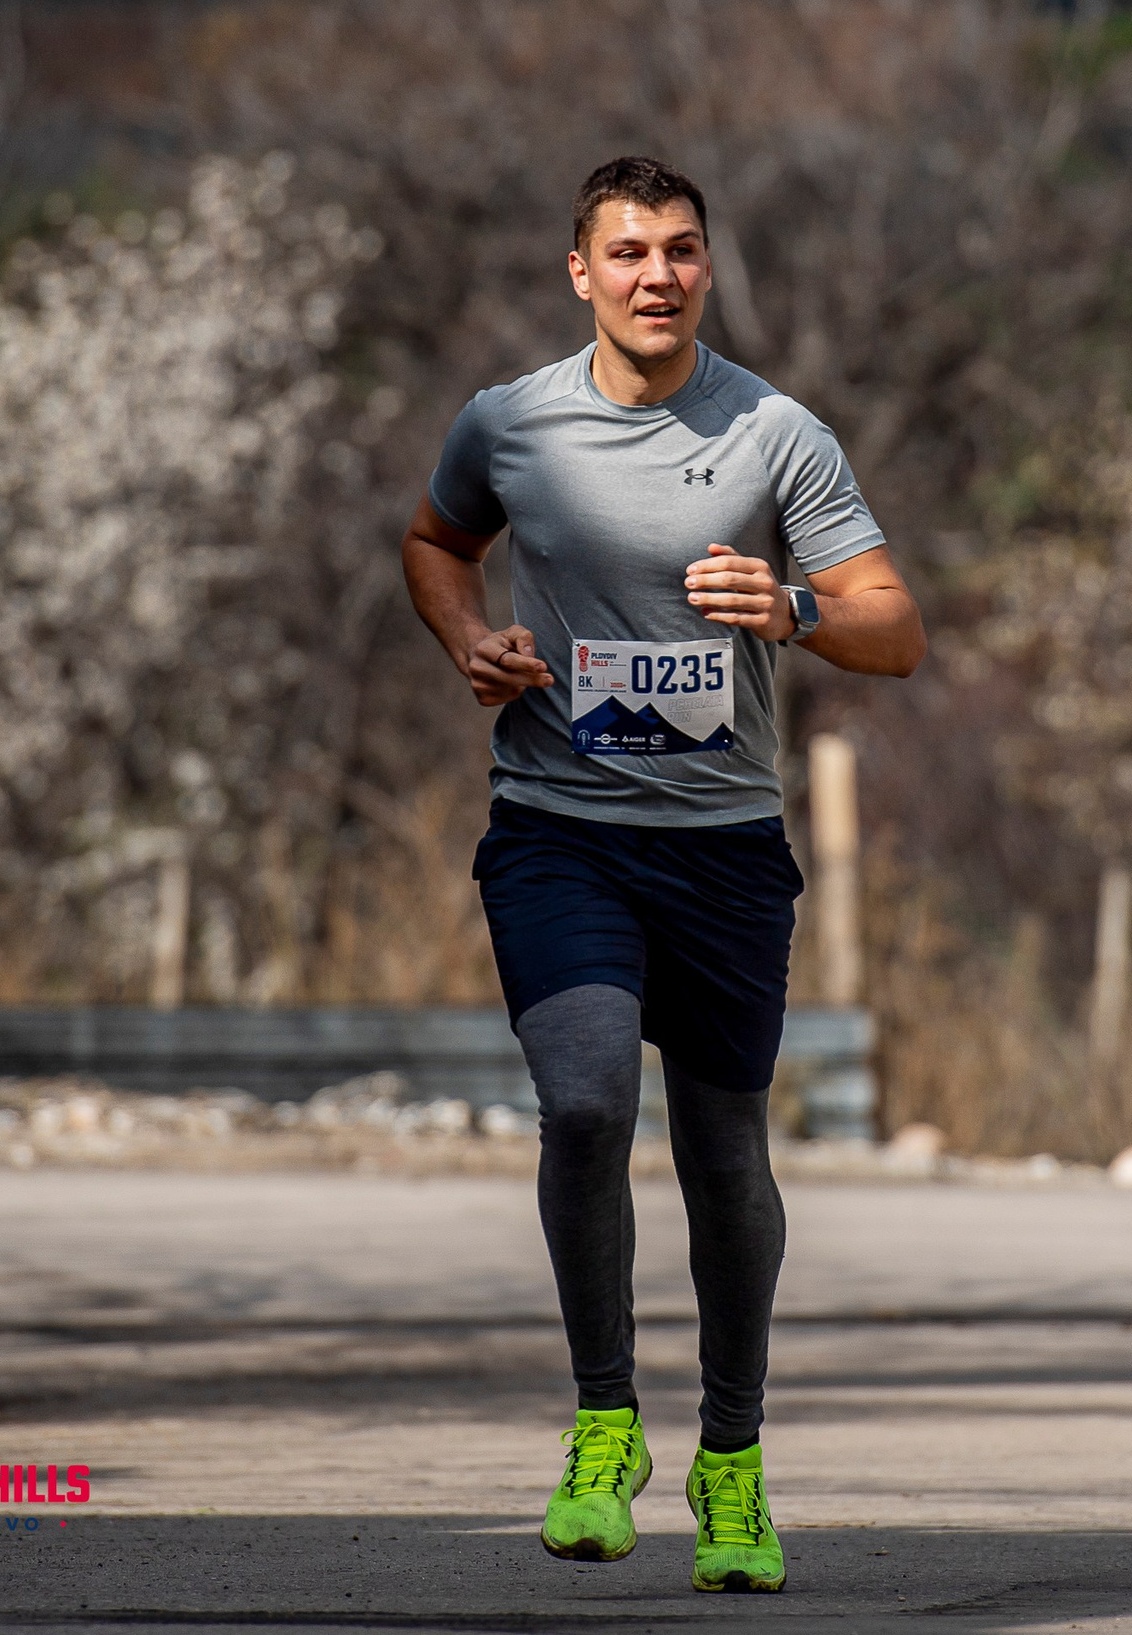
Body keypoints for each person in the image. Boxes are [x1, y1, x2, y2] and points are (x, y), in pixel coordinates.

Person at [402, 155, 925, 1594]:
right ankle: (604, 1424)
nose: (657, 276)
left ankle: (732, 1458)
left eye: (681, 250)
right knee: (584, 1106)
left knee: (722, 1156)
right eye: (628, 252)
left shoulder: (777, 434)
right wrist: (468, 639)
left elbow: (895, 627)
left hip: (723, 851)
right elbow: (437, 542)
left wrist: (795, 605)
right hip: (559, 830)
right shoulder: (509, 423)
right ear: (581, 271)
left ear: (707, 267)